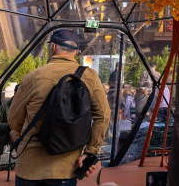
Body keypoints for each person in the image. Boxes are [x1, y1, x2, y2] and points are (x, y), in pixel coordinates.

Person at [9, 29, 110, 186]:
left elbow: (14, 120)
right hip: (66, 168)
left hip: (30, 167)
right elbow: (103, 116)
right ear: (76, 52)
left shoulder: (32, 77)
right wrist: (90, 152)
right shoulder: (90, 77)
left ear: (53, 48)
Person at [0, 84, 18, 157]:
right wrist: (8, 126)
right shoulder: (5, 107)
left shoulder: (29, 106)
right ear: (15, 93)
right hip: (8, 135)